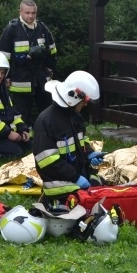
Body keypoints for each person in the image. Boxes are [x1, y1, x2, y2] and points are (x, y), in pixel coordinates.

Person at [32, 70, 100, 207]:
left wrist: (89, 152)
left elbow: (80, 141)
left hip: (77, 178)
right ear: (74, 97)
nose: (85, 105)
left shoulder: (75, 117)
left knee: (101, 185)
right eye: (84, 101)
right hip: (60, 187)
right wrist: (75, 177)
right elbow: (47, 162)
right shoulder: (46, 121)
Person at [0, 0, 57, 126]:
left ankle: (45, 139)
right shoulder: (11, 30)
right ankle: (24, 142)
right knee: (21, 115)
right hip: (20, 79)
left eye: (33, 13)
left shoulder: (42, 28)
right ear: (20, 12)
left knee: (47, 111)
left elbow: (52, 50)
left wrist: (51, 68)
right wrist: (6, 76)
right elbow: (3, 56)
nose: (30, 16)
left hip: (41, 79)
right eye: (27, 13)